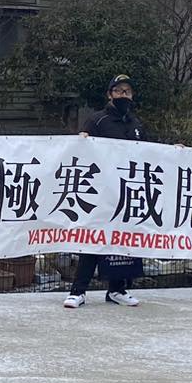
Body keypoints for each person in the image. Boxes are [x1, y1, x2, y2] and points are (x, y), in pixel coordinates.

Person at [64, 74, 149, 310]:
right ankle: (78, 291)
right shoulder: (98, 121)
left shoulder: (137, 125)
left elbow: (152, 154)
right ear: (109, 94)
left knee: (124, 242)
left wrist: (177, 152)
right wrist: (81, 140)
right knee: (94, 240)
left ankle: (117, 289)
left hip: (128, 192)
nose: (124, 95)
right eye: (119, 91)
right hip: (101, 193)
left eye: (127, 91)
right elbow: (83, 152)